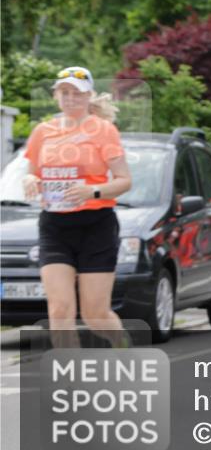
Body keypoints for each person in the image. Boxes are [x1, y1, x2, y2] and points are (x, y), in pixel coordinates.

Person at [22, 67, 132, 349]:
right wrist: (31, 180)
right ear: (56, 96)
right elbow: (31, 173)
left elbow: (124, 181)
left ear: (88, 96)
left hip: (96, 225)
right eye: (65, 92)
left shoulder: (104, 130)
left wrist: (92, 191)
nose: (70, 99)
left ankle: (123, 347)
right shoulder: (43, 132)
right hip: (54, 225)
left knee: (95, 315)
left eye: (77, 93)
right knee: (59, 310)